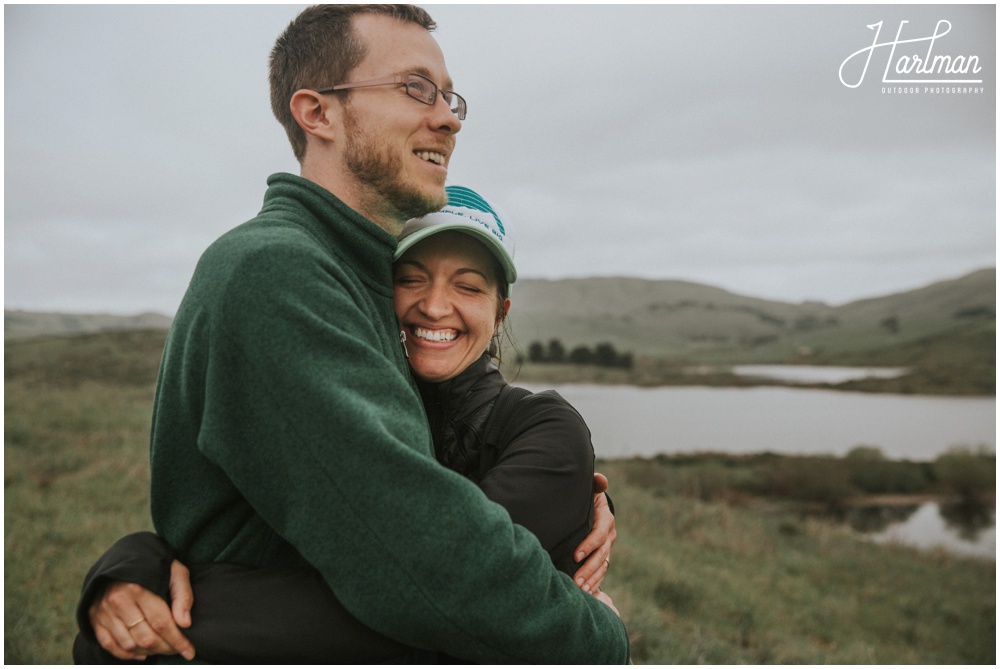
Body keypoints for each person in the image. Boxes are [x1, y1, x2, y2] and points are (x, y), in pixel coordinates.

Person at [76, 4, 629, 664]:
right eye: (415, 87)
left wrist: (568, 499)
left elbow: (365, 496)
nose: (448, 117)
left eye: (450, 97)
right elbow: (417, 558)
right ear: (319, 113)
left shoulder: (349, 277)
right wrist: (598, 633)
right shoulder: (278, 271)